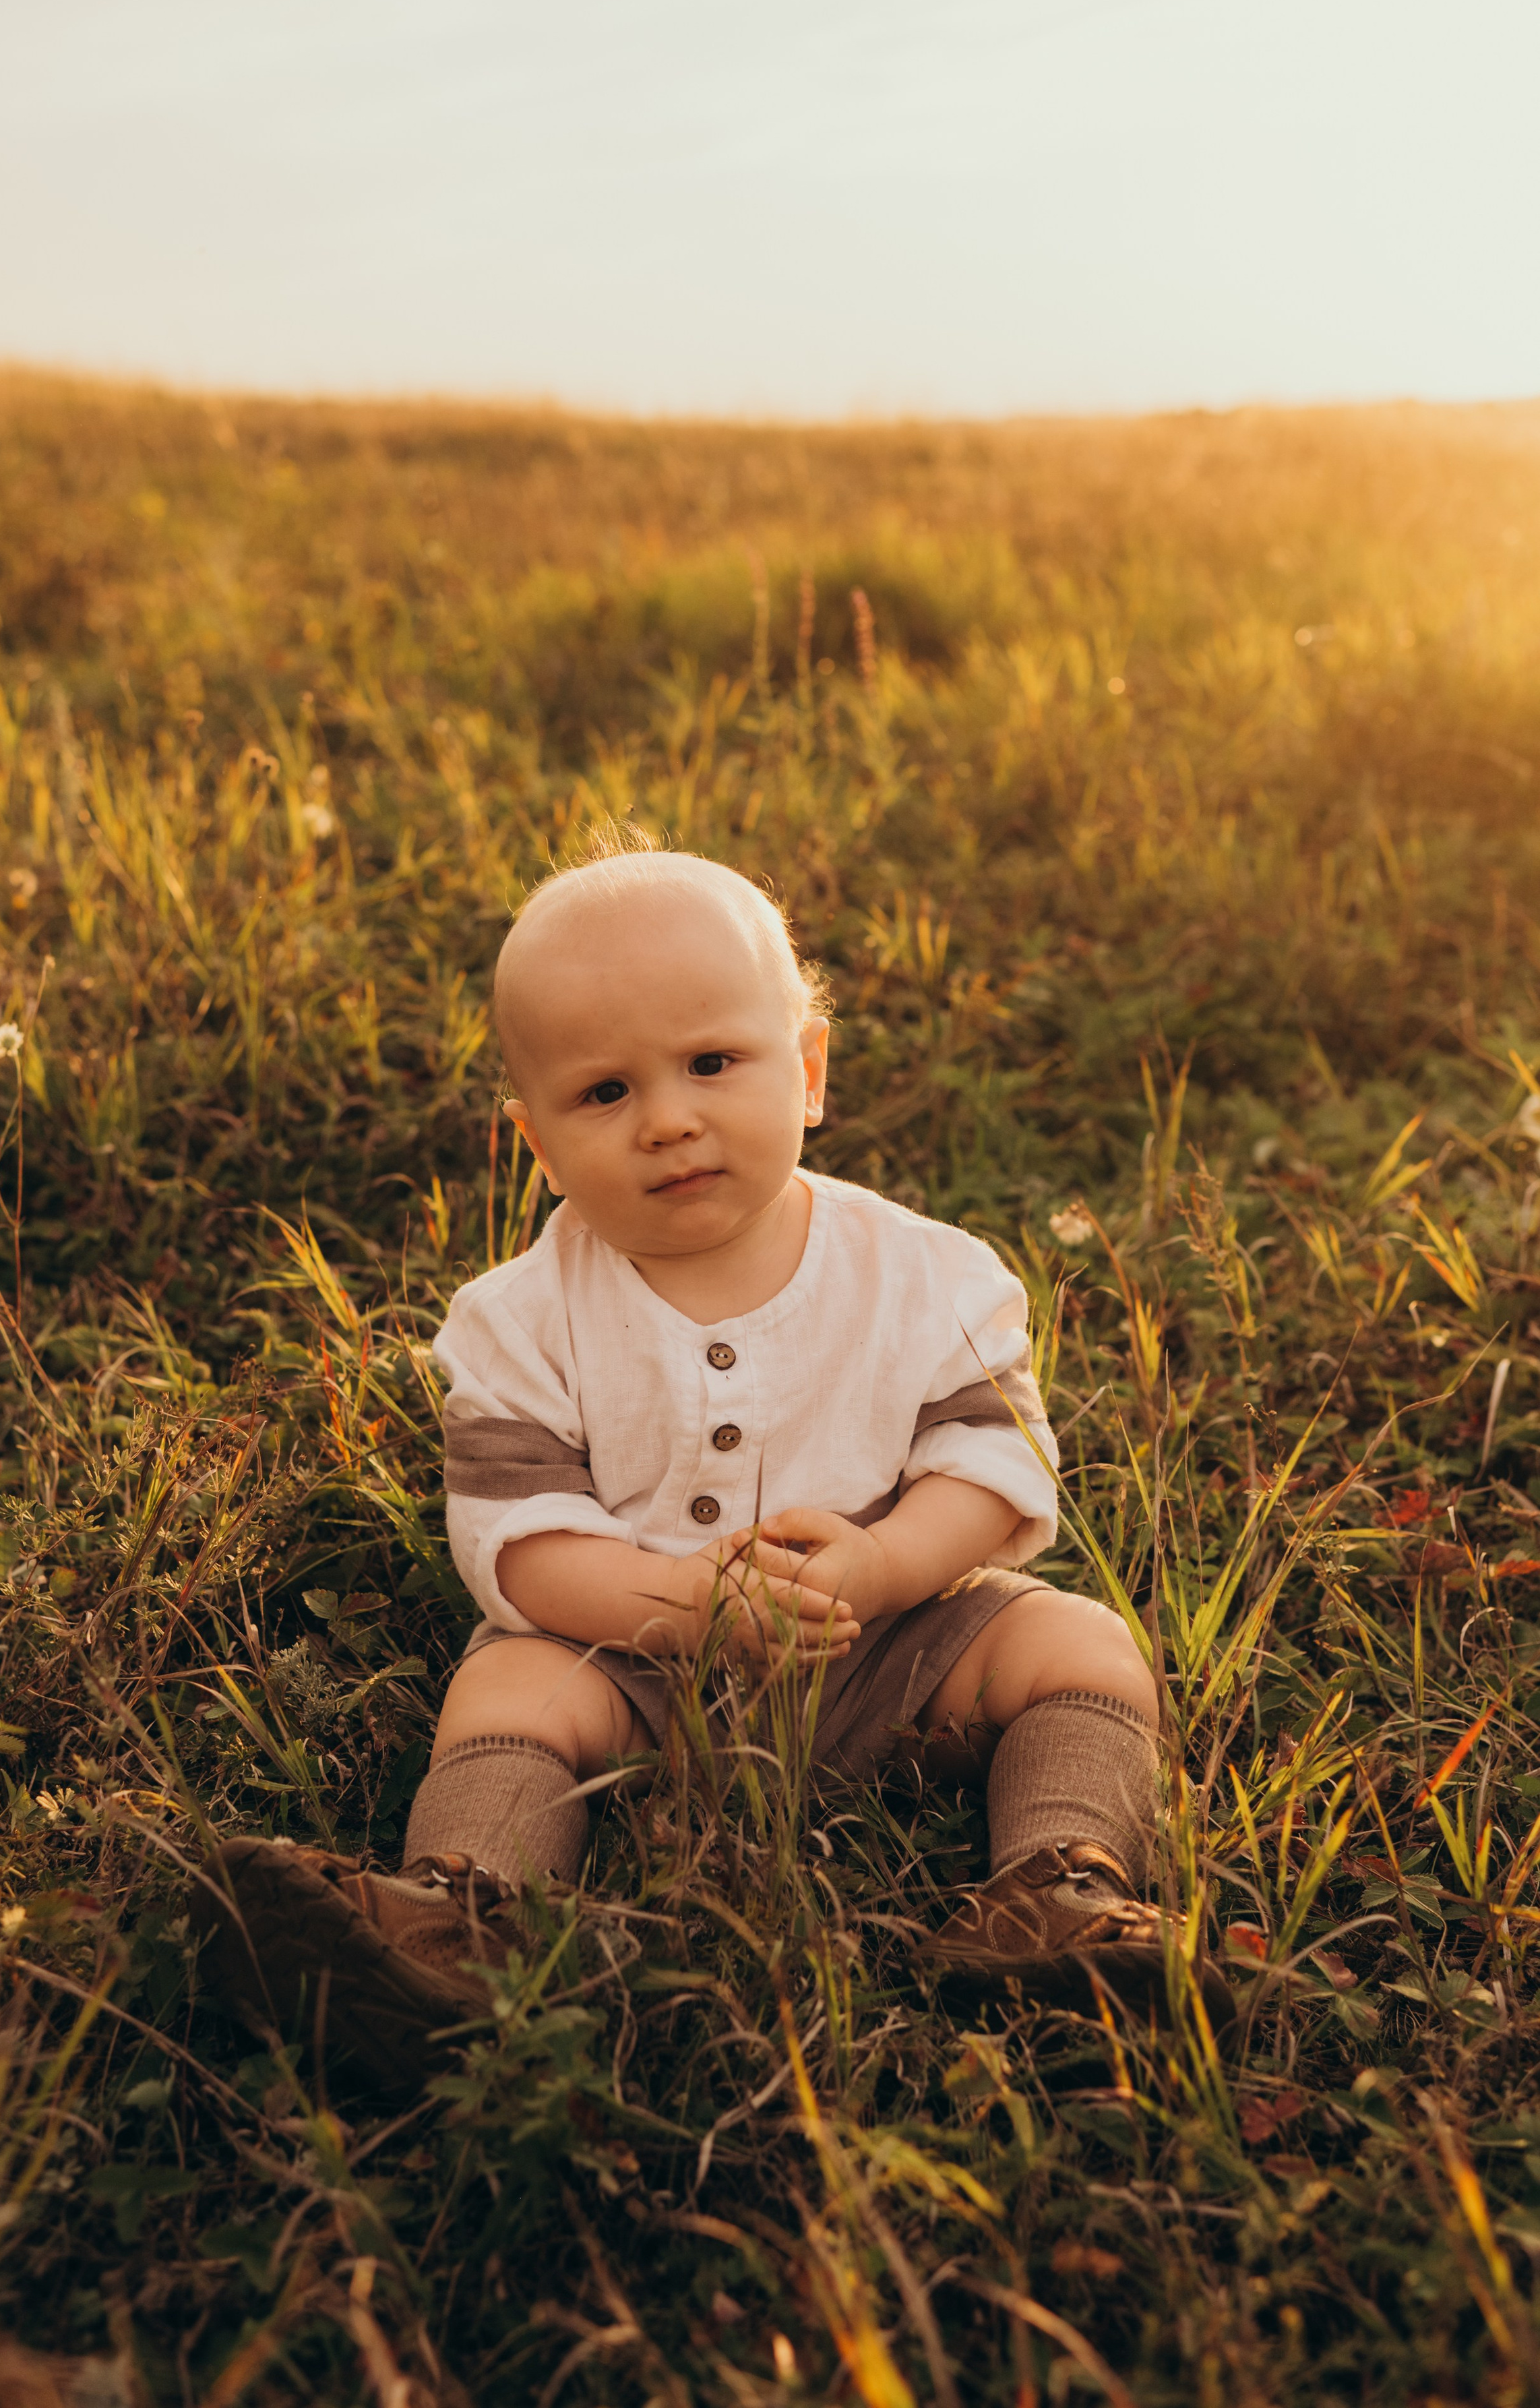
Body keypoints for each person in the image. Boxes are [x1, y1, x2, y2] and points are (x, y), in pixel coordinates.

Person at [194, 842, 1224, 2086]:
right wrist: (689, 1607)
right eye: (603, 1094)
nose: (669, 1118)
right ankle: (457, 1921)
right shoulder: (518, 1320)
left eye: (712, 1064)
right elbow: (524, 1547)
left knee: (1077, 1646)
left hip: (885, 1650)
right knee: (513, 1688)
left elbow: (990, 1463)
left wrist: (889, 1564)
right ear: (533, 1140)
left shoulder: (926, 1274)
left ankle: (1057, 1890)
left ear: (809, 1070)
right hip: (627, 1664)